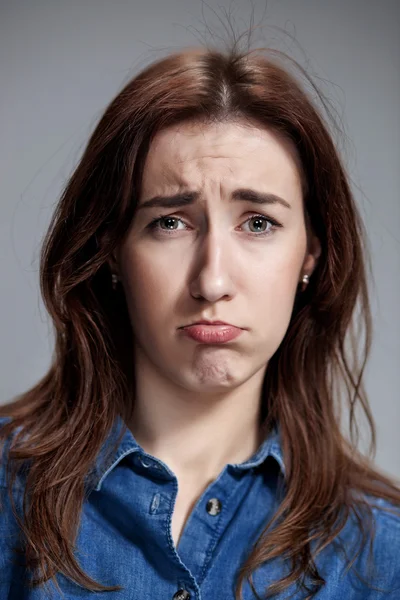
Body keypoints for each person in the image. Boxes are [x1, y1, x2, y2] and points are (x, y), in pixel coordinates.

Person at [1, 41, 399, 600]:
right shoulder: (7, 503)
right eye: (170, 222)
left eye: (257, 223)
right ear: (112, 250)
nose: (212, 281)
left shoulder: (383, 554)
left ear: (311, 253)